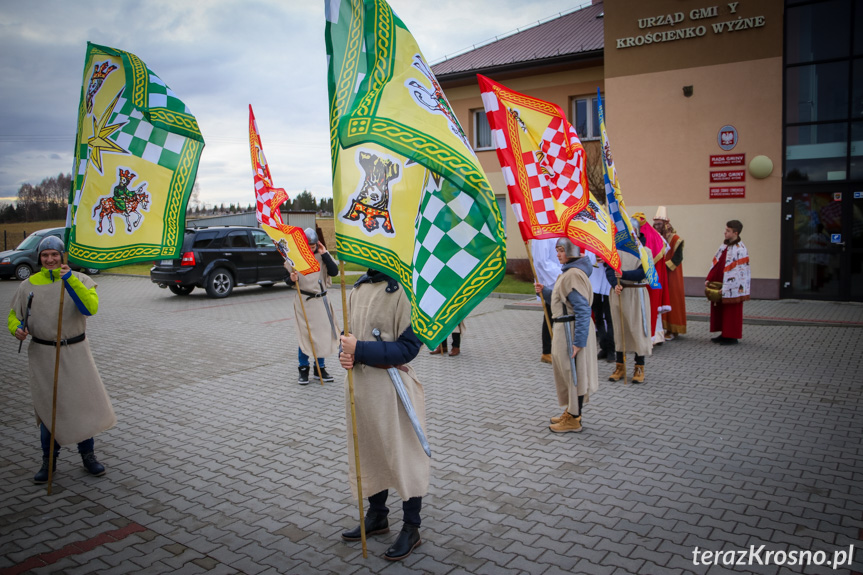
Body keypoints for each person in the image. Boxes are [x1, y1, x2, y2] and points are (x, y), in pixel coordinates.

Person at [8, 236, 116, 483]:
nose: (50, 259)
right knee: (49, 409)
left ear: (62, 256)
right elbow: (15, 316)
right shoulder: (28, 285)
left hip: (75, 351)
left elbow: (90, 308)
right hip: (43, 354)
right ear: (39, 258)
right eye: (45, 255)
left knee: (81, 406)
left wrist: (68, 280)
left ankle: (88, 456)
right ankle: (49, 461)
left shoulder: (80, 280)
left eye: (54, 255)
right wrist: (16, 329)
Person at [338, 268, 428, 561]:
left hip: (392, 388)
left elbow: (408, 348)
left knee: (404, 456)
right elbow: (350, 336)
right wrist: (346, 353)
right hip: (362, 386)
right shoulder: (358, 288)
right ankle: (378, 515)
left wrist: (360, 349)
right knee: (369, 452)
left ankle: (412, 527)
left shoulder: (406, 290)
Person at [534, 238, 599, 433]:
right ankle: (571, 412)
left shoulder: (573, 275)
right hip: (565, 327)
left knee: (574, 374)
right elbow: (562, 298)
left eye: (561, 250)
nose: (558, 254)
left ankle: (575, 418)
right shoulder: (569, 273)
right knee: (569, 372)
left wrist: (578, 341)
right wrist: (545, 292)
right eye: (557, 250)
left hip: (571, 330)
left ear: (571, 252)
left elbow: (582, 309)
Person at [285, 228, 340, 385]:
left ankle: (320, 368)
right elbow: (286, 279)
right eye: (308, 245)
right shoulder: (296, 258)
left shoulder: (323, 256)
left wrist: (324, 254)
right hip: (304, 301)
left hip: (320, 301)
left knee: (321, 336)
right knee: (306, 336)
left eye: (314, 245)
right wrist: (291, 278)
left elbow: (334, 272)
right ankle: (303, 369)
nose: (311, 248)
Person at [606, 219, 653, 383]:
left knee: (637, 330)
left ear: (637, 232)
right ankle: (620, 366)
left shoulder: (645, 251)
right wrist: (614, 284)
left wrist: (624, 275)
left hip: (636, 294)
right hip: (619, 293)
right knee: (620, 330)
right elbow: (609, 270)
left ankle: (639, 368)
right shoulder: (615, 251)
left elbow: (644, 273)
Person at [706, 220, 750, 345]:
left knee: (732, 311)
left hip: (733, 286)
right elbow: (716, 263)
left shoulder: (740, 249)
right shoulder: (724, 246)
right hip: (720, 282)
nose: (725, 233)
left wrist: (728, 287)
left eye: (728, 231)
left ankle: (732, 336)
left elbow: (737, 271)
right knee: (721, 310)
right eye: (725, 230)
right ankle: (724, 334)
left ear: (735, 233)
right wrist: (709, 279)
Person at [634, 212, 669, 345]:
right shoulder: (657, 236)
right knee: (654, 308)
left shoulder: (641, 237)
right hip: (656, 278)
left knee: (647, 307)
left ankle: (649, 338)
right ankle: (658, 335)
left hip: (646, 277)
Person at [654, 207, 687, 339]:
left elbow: (678, 258)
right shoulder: (656, 237)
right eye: (655, 224)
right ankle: (663, 328)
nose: (656, 227)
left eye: (659, 224)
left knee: (673, 300)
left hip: (672, 275)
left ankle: (673, 330)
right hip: (660, 274)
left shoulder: (675, 239)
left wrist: (663, 266)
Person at [532, 238, 561, 364]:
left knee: (554, 315)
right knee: (549, 316)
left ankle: (554, 349)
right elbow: (541, 261)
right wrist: (561, 274)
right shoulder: (541, 235)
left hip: (559, 279)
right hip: (551, 282)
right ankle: (547, 352)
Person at [587, 250, 615, 362]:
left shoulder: (611, 240)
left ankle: (611, 350)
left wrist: (607, 260)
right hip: (595, 283)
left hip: (608, 285)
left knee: (610, 318)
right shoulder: (591, 242)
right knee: (598, 317)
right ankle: (603, 347)